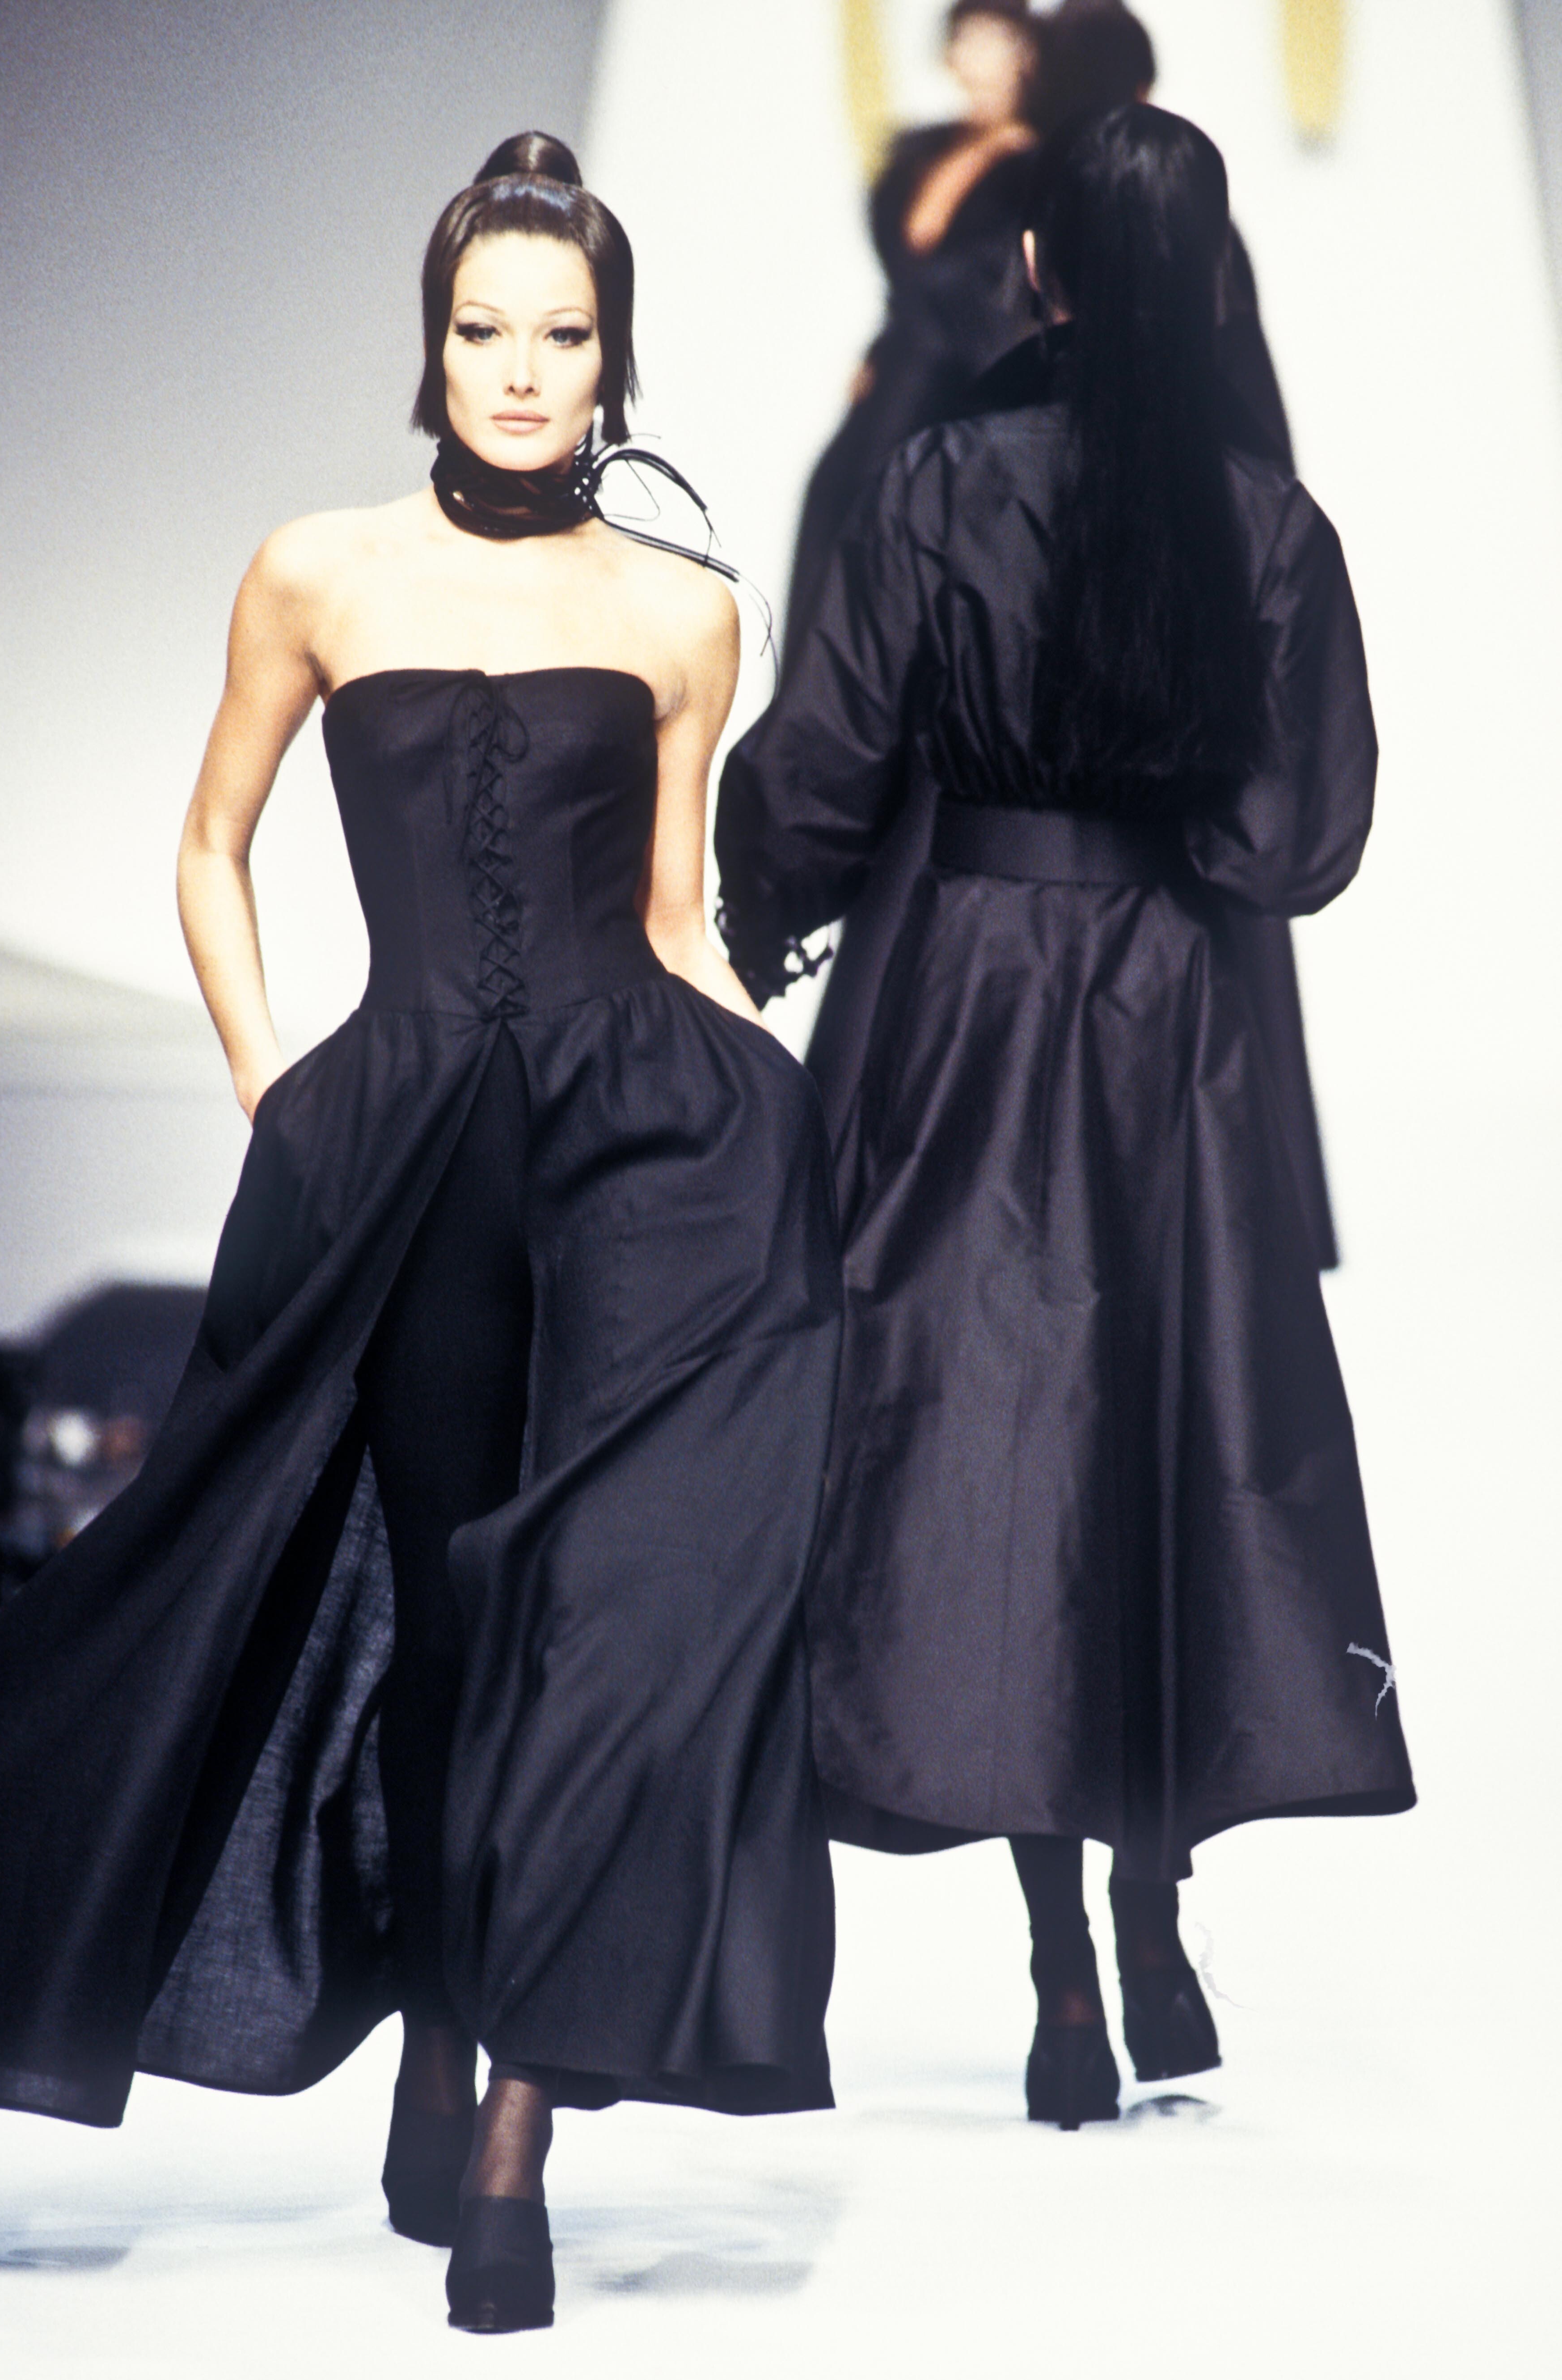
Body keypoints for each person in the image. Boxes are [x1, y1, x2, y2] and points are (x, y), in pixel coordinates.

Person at [0, 133, 844, 2333]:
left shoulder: (680, 610)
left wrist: (777, 1122)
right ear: (433, 345)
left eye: (562, 333)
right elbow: (209, 844)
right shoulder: (318, 571)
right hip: (407, 1160)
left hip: (637, 1154)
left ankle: (514, 2132)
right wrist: (276, 1082)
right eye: (484, 329)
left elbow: (673, 917)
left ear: (610, 355)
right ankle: (442, 2029)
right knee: (454, 1630)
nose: (521, 370)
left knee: (592, 1628)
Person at [716, 104, 1414, 2133]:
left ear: (1036, 271)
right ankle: (1152, 1912)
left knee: (1000, 1447)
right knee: (1164, 1435)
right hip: (1170, 1012)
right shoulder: (1268, 528)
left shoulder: (938, 484)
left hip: (965, 1001)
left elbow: (829, 756)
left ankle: (1060, 1977)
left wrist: (764, 905)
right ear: (1210, 284)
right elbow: (1301, 838)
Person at [803, 0, 1338, 1294]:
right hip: (1079, 658)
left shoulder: (1029, 234)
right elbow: (1252, 436)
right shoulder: (1062, 210)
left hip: (1001, 632)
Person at [781, 0, 1039, 670]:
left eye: (992, 40)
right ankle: (809, 689)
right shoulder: (923, 148)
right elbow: (910, 263)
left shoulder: (1037, 167)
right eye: (965, 40)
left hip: (965, 371)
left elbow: (989, 288)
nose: (975, 56)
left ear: (1025, 53)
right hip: (903, 357)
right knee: (833, 495)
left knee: (896, 518)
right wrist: (880, 350)